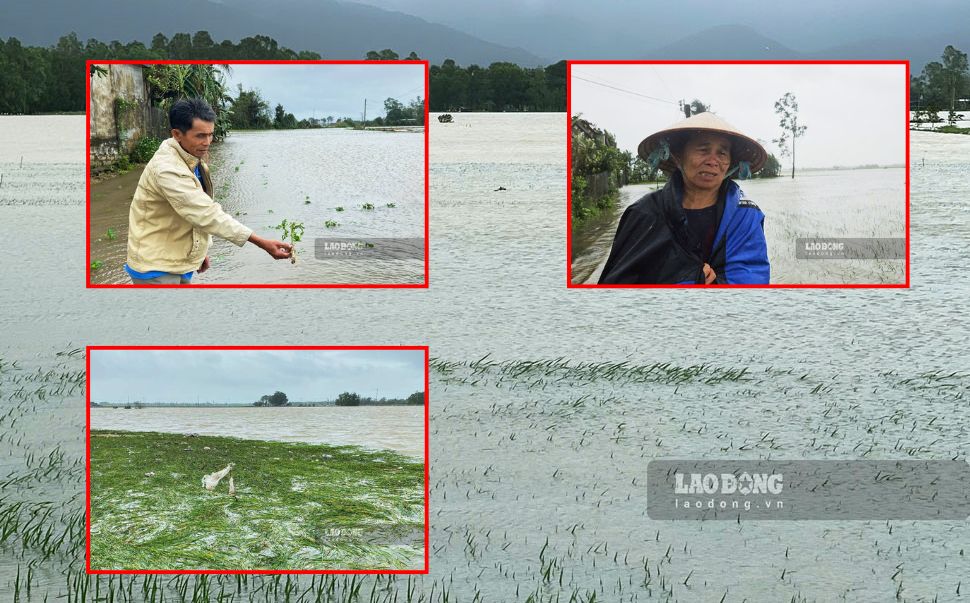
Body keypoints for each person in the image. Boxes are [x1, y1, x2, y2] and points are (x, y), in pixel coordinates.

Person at [124, 98, 292, 284]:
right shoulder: (167, 168)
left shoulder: (191, 154)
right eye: (200, 136)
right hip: (155, 267)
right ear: (177, 134)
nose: (207, 142)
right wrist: (261, 242)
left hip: (179, 260)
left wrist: (199, 252)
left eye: (210, 134)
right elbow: (205, 213)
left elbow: (193, 211)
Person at [598, 112, 770, 285]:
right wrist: (690, 278)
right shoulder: (643, 213)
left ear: (731, 162)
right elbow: (617, 285)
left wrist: (715, 284)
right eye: (703, 150)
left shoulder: (745, 215)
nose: (713, 161)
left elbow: (753, 277)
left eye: (722, 153)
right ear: (678, 156)